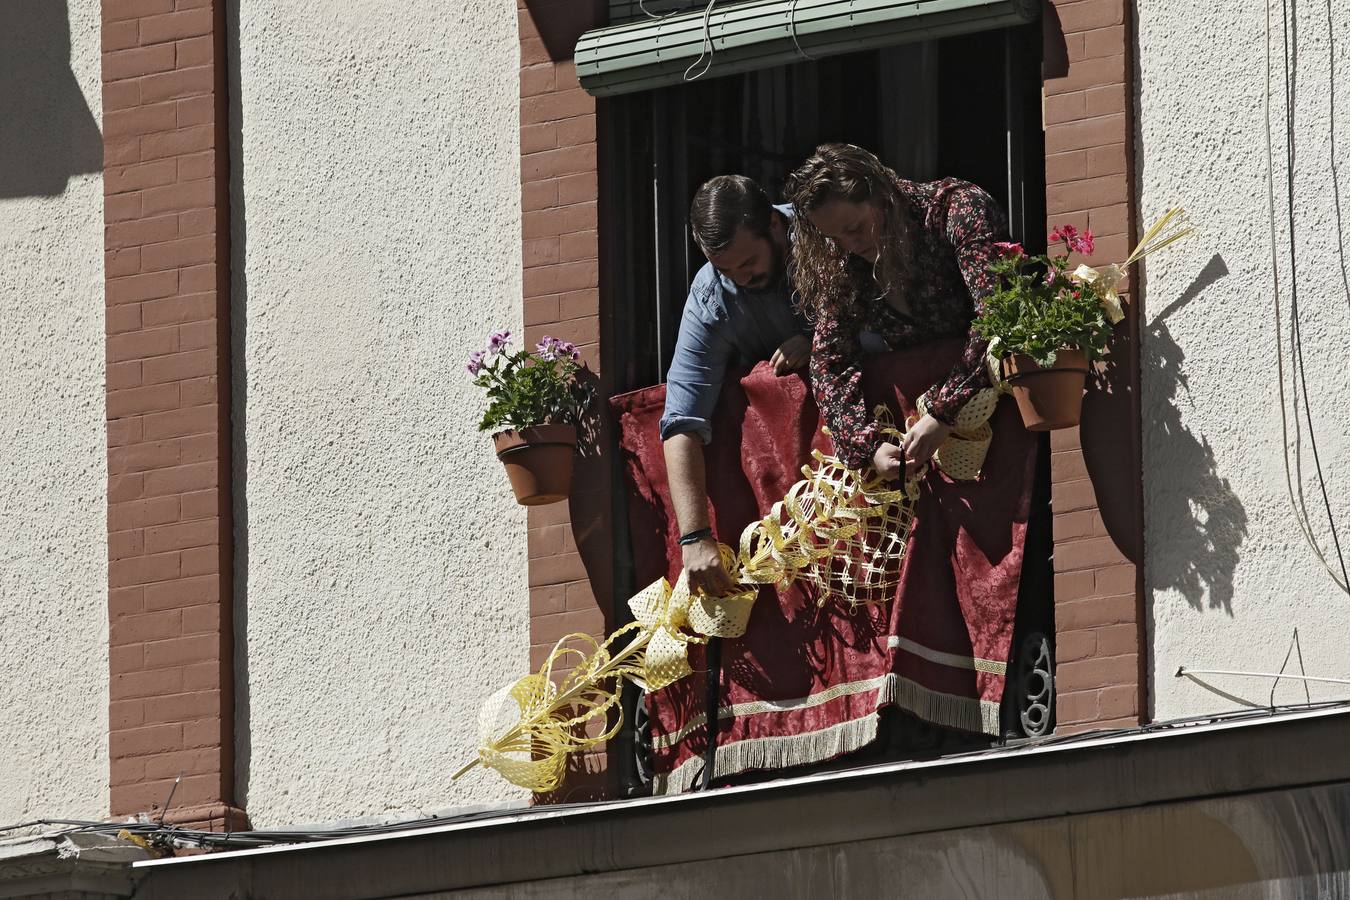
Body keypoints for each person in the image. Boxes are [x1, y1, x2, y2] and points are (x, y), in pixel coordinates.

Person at [782, 143, 1011, 481]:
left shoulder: (957, 209)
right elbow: (830, 361)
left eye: (855, 227)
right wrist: (869, 446)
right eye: (835, 238)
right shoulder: (845, 263)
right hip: (931, 452)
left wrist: (944, 411)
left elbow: (995, 314)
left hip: (1006, 423)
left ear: (883, 195)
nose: (851, 244)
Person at [661, 175, 811, 596]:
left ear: (777, 227)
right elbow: (680, 422)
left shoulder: (827, 232)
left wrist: (826, 343)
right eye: (726, 269)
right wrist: (693, 538)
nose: (741, 279)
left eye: (749, 263)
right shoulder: (711, 293)